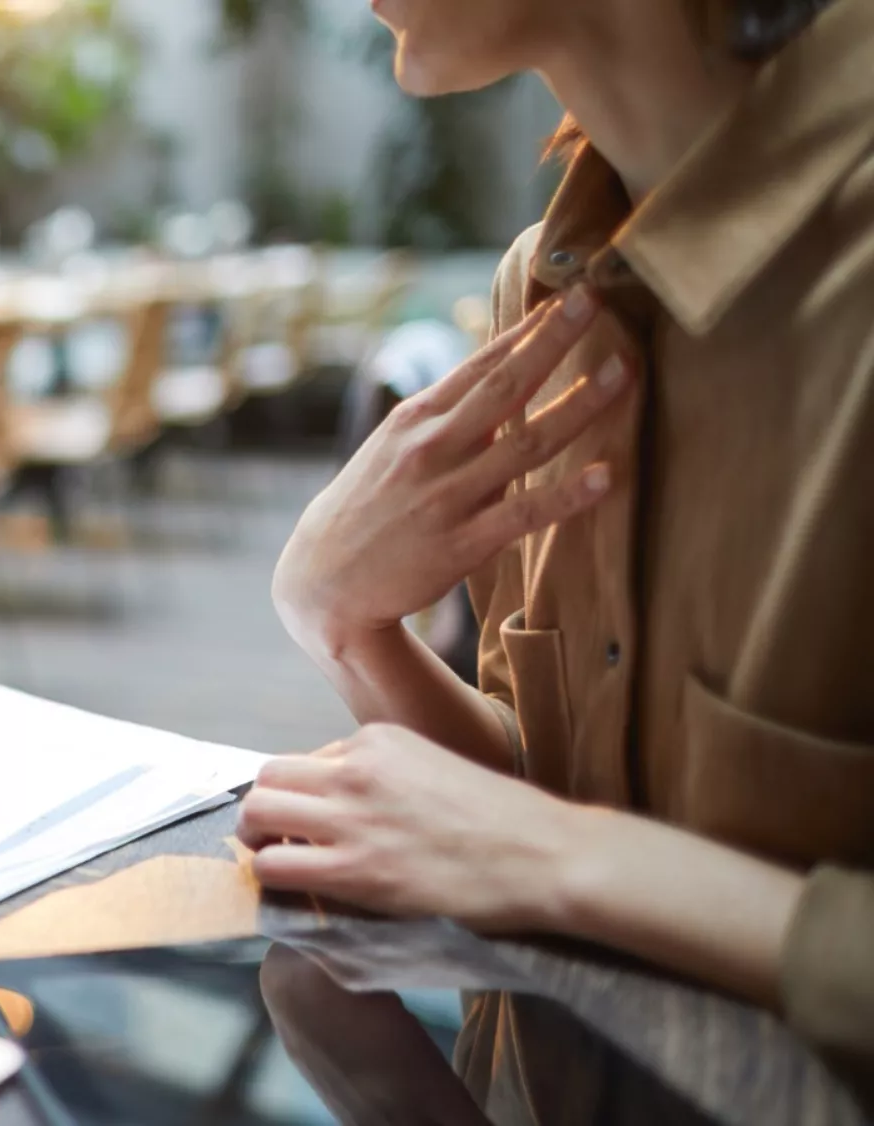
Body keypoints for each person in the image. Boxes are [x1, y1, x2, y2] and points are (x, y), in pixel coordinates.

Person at [243, 0, 874, 1118]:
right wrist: (340, 621)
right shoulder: (540, 286)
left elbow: (538, 838)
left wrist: (566, 860)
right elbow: (537, 786)